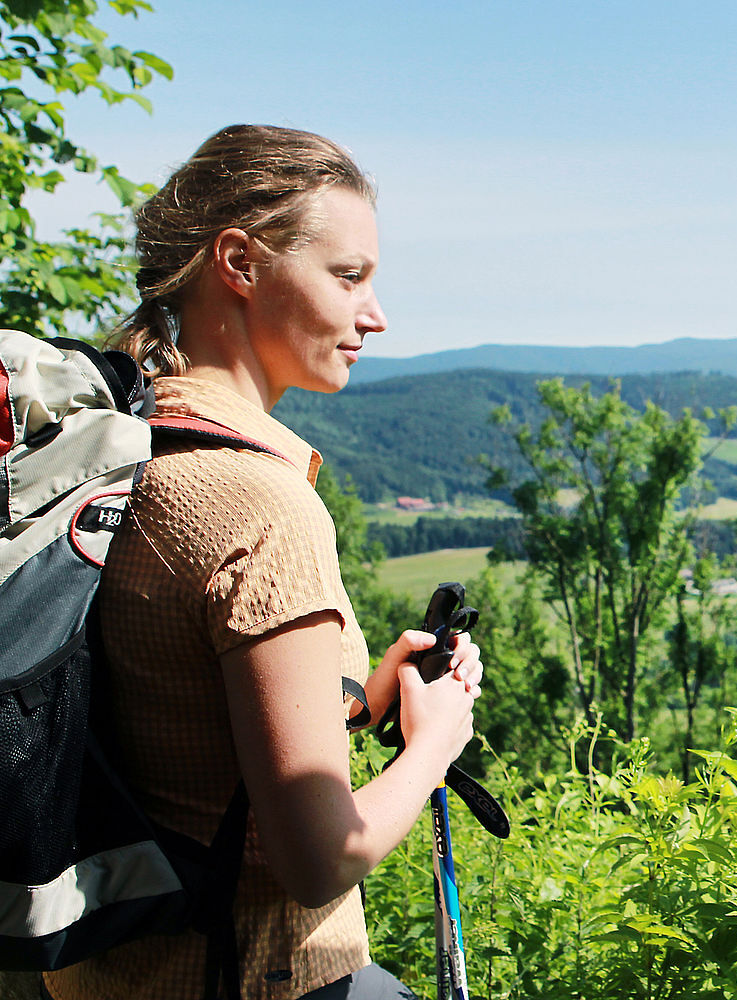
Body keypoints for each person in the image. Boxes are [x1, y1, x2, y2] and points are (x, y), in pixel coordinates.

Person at [40, 125, 482, 1000]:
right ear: (239, 262)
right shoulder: (260, 507)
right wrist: (435, 745)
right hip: (257, 976)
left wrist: (354, 700)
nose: (375, 314)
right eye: (348, 276)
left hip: (104, 970)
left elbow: (177, 736)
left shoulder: (118, 456)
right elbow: (321, 861)